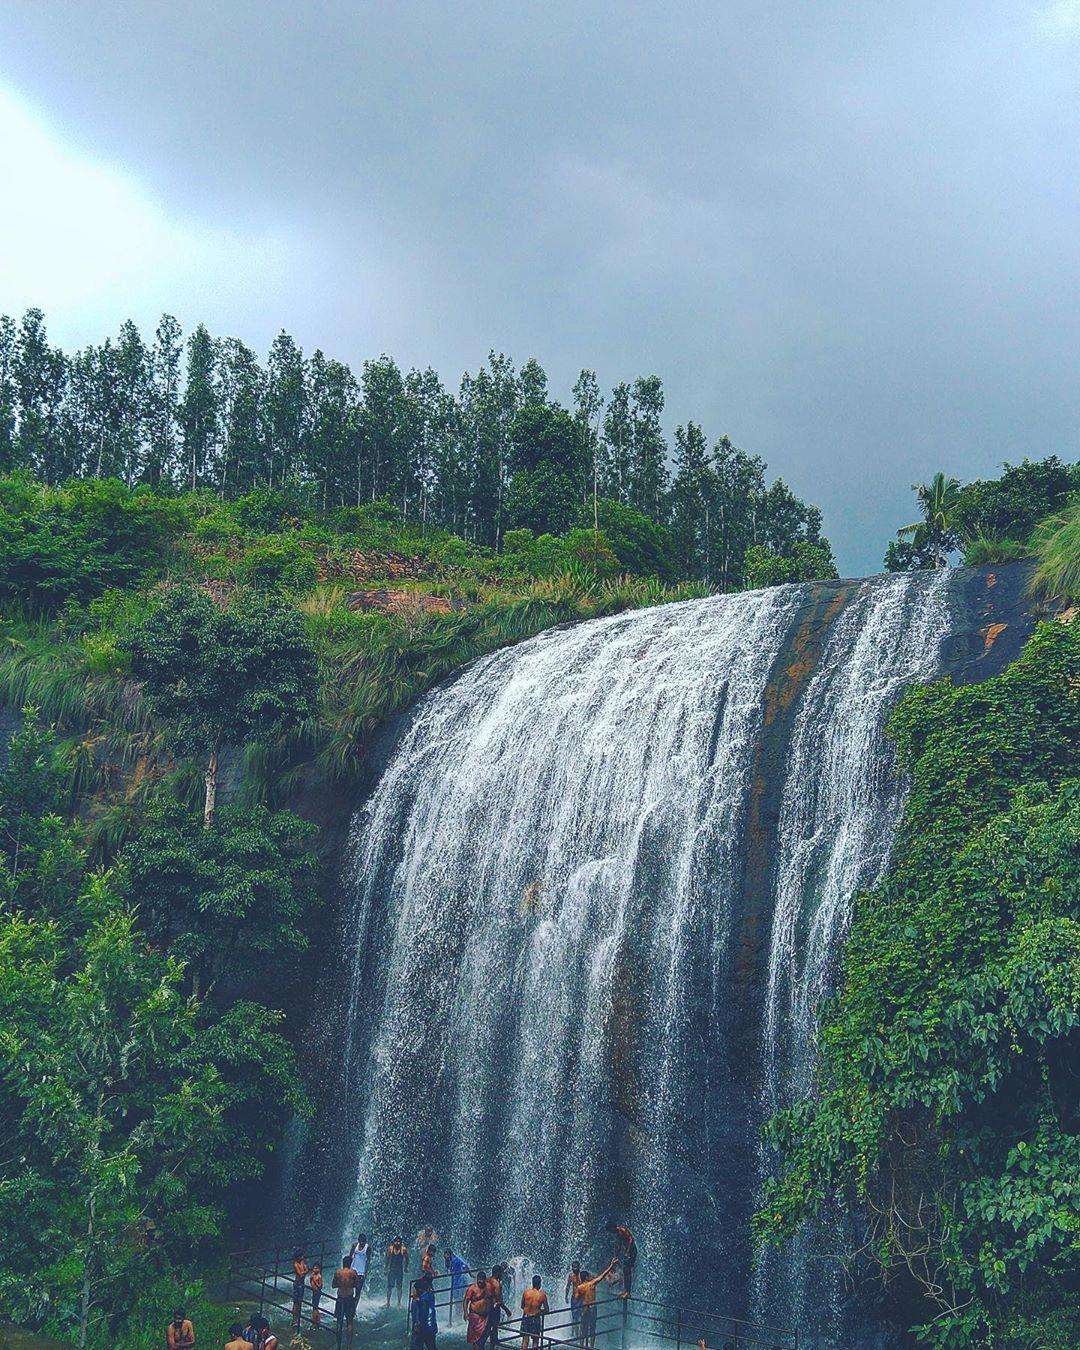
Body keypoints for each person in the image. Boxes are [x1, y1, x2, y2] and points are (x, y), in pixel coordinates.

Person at [575, 1260, 617, 1350]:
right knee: (592, 1328)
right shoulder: (592, 1284)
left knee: (583, 1328)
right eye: (589, 1276)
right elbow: (602, 1276)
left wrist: (583, 1297)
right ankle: (591, 1347)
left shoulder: (579, 1287)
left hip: (584, 1307)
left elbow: (576, 1298)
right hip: (592, 1308)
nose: (590, 1276)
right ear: (586, 1277)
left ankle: (582, 1347)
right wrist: (611, 1265)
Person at [333, 1253, 360, 1347]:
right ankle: (349, 1345)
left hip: (340, 1298)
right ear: (350, 1263)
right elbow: (357, 1285)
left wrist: (341, 1284)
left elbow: (333, 1285)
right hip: (349, 1297)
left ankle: (338, 1343)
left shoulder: (338, 1272)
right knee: (349, 1321)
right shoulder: (353, 1272)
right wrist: (350, 1285)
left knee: (339, 1321)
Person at [482, 1264, 511, 1350]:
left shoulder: (486, 1281)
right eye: (501, 1273)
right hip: (494, 1309)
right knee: (493, 1329)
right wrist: (507, 1310)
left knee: (487, 1328)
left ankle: (481, 1345)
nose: (502, 1275)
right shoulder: (497, 1284)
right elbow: (499, 1300)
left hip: (485, 1307)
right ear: (498, 1273)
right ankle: (492, 1346)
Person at [606, 1222, 636, 1298]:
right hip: (628, 1252)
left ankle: (628, 1292)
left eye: (610, 1230)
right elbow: (618, 1245)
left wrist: (627, 1251)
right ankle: (625, 1291)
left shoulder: (622, 1230)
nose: (610, 1232)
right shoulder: (618, 1234)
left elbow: (631, 1239)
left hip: (632, 1252)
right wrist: (615, 1256)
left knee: (627, 1270)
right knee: (625, 1271)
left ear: (613, 1227)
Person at [520, 1274, 550, 1350]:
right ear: (540, 1284)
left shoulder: (526, 1292)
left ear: (532, 1283)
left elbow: (522, 1306)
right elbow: (547, 1310)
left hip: (526, 1317)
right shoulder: (542, 1295)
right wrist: (539, 1311)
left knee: (525, 1340)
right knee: (535, 1341)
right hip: (535, 1318)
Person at [410, 1272, 438, 1350]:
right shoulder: (430, 1296)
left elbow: (418, 1313)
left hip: (421, 1329)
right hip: (431, 1327)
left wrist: (416, 1324)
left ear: (419, 1290)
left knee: (417, 1346)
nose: (412, 1293)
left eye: (414, 1290)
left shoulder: (418, 1301)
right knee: (432, 1346)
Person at [462, 1270, 490, 1347]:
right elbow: (466, 1301)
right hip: (475, 1316)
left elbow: (491, 1298)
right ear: (477, 1279)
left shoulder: (488, 1287)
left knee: (483, 1336)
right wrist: (465, 1313)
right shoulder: (472, 1288)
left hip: (485, 1316)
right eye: (479, 1281)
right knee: (475, 1339)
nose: (480, 1282)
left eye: (482, 1280)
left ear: (485, 1280)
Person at [446, 1249, 470, 1327]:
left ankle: (459, 1316)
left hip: (460, 1281)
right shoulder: (450, 1260)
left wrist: (470, 1274)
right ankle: (458, 1315)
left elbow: (465, 1266)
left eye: (445, 1255)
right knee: (456, 1299)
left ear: (449, 1254)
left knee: (459, 1299)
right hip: (456, 1281)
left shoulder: (456, 1260)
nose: (444, 1257)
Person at [386, 1236, 408, 1307]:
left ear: (401, 1242)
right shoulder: (391, 1249)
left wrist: (406, 1268)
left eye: (399, 1241)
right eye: (396, 1241)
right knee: (389, 1286)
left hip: (399, 1270)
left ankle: (399, 1303)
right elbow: (387, 1259)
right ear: (394, 1242)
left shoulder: (403, 1249)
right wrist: (386, 1268)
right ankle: (388, 1302)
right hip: (392, 1270)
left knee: (399, 1287)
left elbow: (407, 1259)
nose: (397, 1243)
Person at [291, 1249, 309, 1329]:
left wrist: (304, 1270)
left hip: (302, 1284)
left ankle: (298, 1319)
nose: (302, 1258)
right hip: (297, 1284)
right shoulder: (296, 1264)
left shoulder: (302, 1263)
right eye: (301, 1256)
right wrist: (305, 1271)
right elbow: (301, 1274)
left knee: (300, 1301)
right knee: (296, 1302)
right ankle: (294, 1320)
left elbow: (306, 1270)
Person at [565, 1262, 583, 1336]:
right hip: (574, 1299)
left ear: (579, 1267)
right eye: (573, 1267)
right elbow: (568, 1286)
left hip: (581, 1298)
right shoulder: (571, 1276)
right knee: (574, 1316)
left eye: (576, 1267)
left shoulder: (582, 1275)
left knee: (581, 1316)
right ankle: (574, 1334)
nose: (574, 1269)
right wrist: (566, 1296)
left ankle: (579, 1334)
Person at [310, 1263, 324, 1329]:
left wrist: (315, 1281)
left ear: (319, 1269)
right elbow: (311, 1282)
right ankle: (315, 1320)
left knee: (315, 1307)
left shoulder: (319, 1276)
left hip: (317, 1292)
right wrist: (311, 1279)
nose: (314, 1269)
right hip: (314, 1292)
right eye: (314, 1268)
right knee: (314, 1306)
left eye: (316, 1268)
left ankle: (317, 1321)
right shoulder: (313, 1275)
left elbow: (320, 1286)